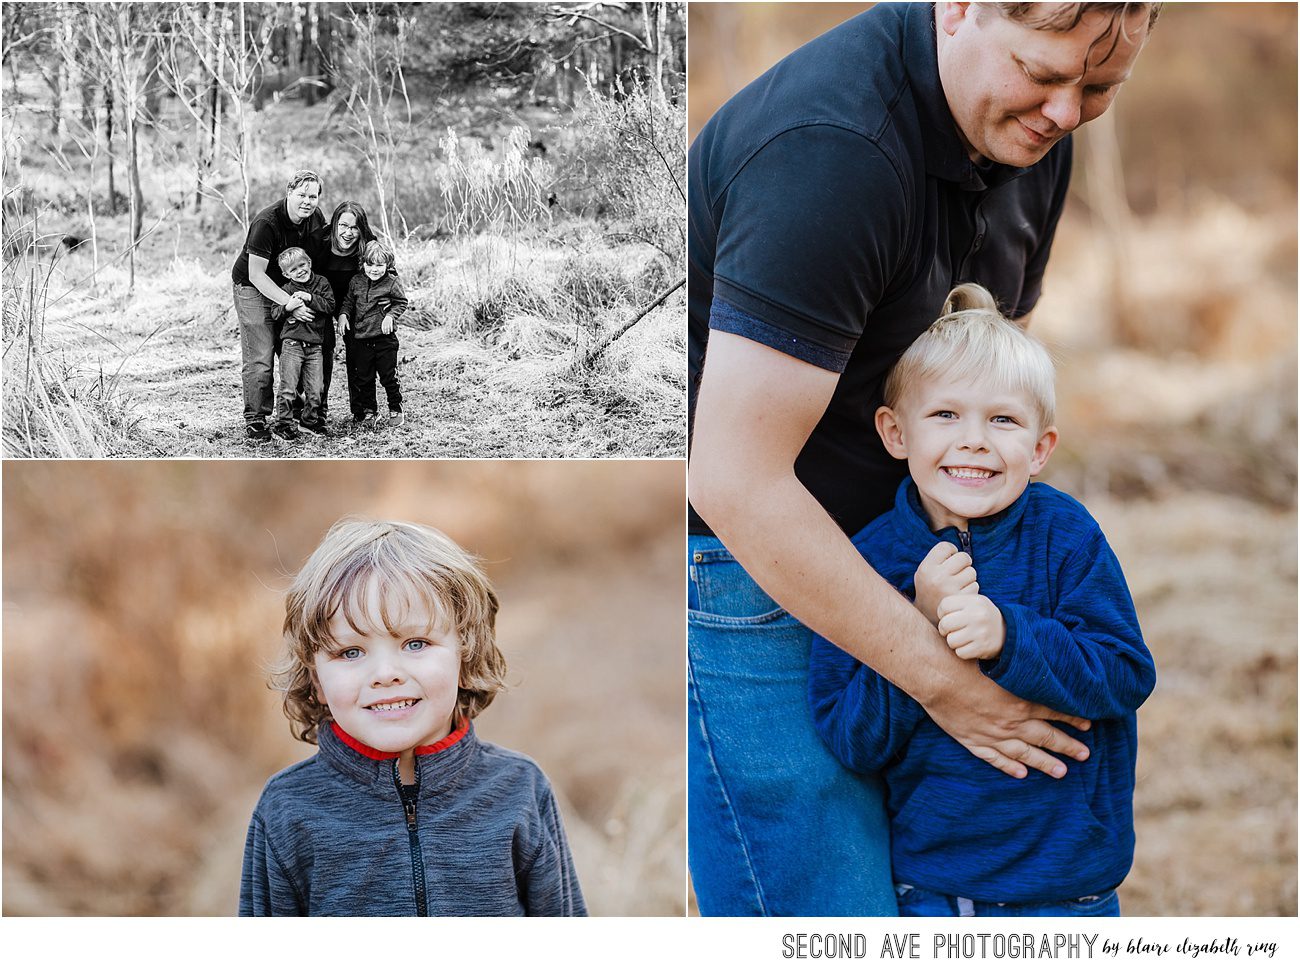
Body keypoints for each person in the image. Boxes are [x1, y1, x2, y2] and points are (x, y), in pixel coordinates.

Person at [686, 2, 1156, 915]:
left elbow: (989, 361)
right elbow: (733, 477)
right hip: (763, 565)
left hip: (927, 546)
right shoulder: (831, 152)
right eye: (1043, 73)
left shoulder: (1026, 133)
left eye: (1099, 87)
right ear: (960, 10)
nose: (1065, 113)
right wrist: (947, 683)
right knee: (832, 913)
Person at [808, 283, 1155, 917]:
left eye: (1003, 419)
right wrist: (913, 622)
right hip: (940, 889)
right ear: (895, 432)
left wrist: (1010, 636)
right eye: (945, 415)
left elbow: (1126, 674)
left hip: (1069, 887)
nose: (974, 440)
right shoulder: (865, 561)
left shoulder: (1065, 536)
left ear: (1041, 448)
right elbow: (851, 738)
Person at [239, 518, 587, 916]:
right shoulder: (288, 809)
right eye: (350, 652)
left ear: (465, 654)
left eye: (415, 643)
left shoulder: (518, 790)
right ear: (316, 679)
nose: (386, 673)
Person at [231, 170, 327, 442]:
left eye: (313, 196)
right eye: (302, 195)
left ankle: (293, 410)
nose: (307, 201)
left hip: (290, 287)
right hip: (253, 288)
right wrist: (290, 303)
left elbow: (315, 261)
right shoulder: (267, 222)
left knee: (291, 347)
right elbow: (256, 275)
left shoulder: (315, 219)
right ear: (289, 193)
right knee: (261, 355)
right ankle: (256, 418)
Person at [307, 201, 377, 422]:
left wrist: (385, 301)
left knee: (359, 348)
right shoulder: (317, 241)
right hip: (321, 299)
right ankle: (317, 409)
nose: (348, 233)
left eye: (355, 227)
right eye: (343, 226)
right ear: (335, 223)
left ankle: (363, 408)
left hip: (354, 301)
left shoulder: (369, 243)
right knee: (323, 347)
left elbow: (386, 271)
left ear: (362, 229)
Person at [267, 248, 335, 441]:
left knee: (316, 389)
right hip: (292, 345)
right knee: (288, 387)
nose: (299, 271)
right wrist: (288, 307)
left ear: (309, 263)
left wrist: (310, 298)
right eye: (293, 269)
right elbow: (275, 313)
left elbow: (330, 306)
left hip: (315, 347)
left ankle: (309, 422)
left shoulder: (321, 283)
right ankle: (283, 424)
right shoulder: (286, 290)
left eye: (302, 265)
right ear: (286, 274)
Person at [339, 240, 408, 428]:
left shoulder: (392, 282)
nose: (374, 269)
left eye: (379, 265)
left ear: (388, 265)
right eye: (370, 264)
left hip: (384, 339)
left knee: (388, 376)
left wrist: (390, 317)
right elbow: (348, 302)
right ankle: (370, 412)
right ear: (363, 263)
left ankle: (395, 407)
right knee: (364, 378)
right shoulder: (356, 281)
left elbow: (401, 302)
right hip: (362, 339)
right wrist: (344, 315)